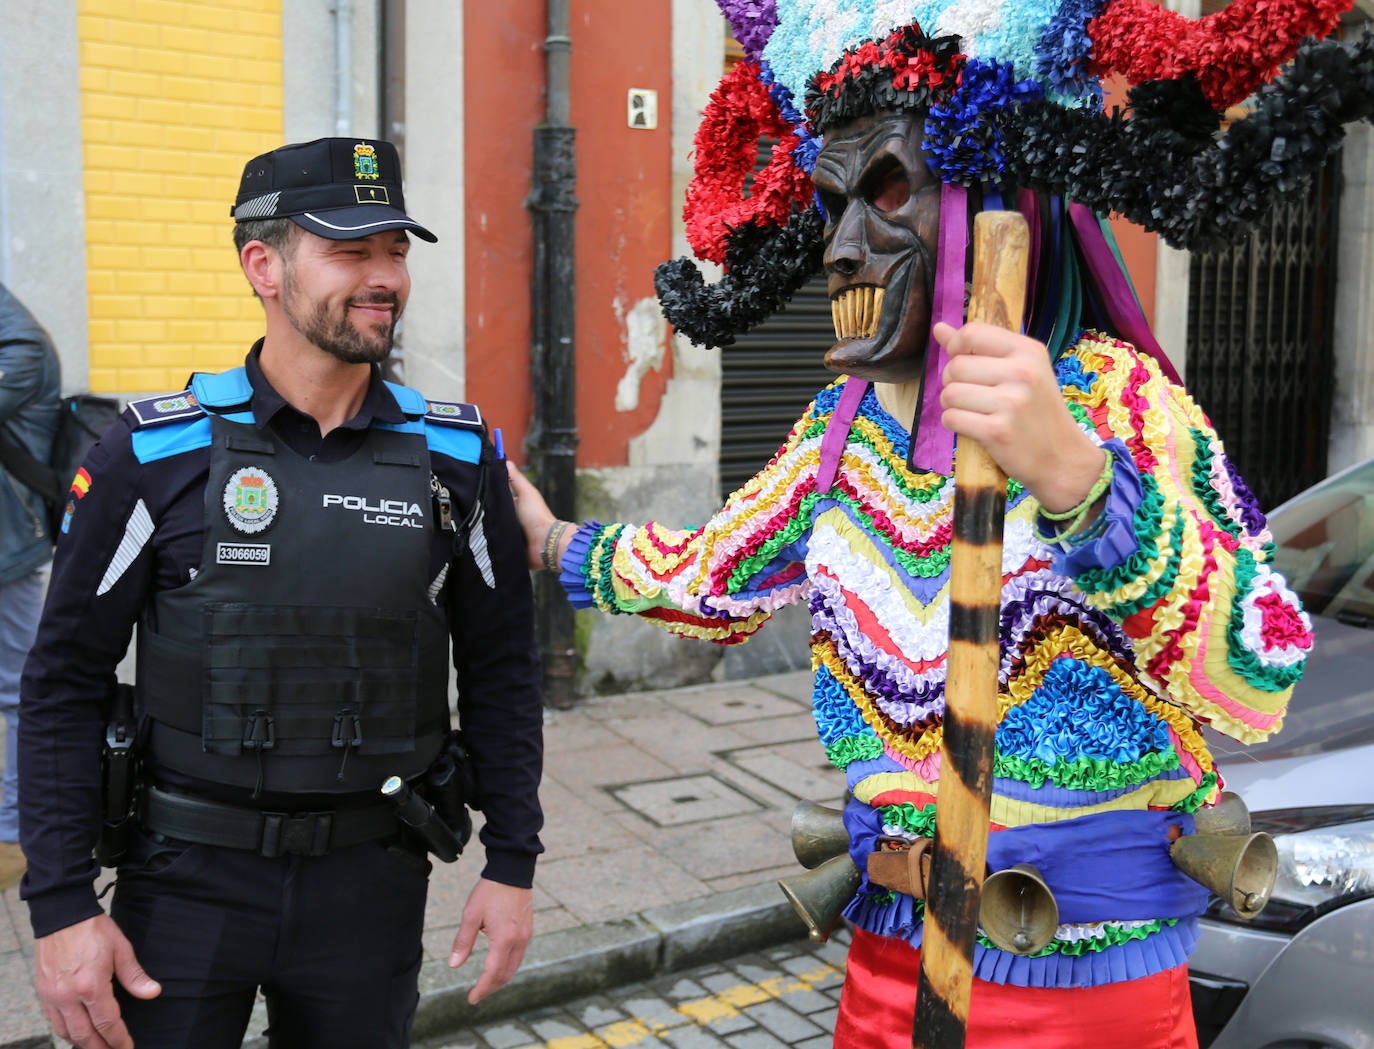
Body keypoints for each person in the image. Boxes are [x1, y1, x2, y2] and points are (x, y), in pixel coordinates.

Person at [504, 1, 1365, 1045]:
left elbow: (1256, 663)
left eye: (889, 192)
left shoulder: (1115, 398)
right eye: (830, 206)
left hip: (1084, 989)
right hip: (888, 962)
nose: (847, 247)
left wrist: (1081, 480)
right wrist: (556, 539)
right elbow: (708, 576)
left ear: (990, 193)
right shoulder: (842, 428)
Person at [18, 137, 544, 1049]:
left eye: (396, 251)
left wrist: (513, 862)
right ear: (262, 265)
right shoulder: (152, 457)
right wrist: (61, 906)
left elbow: (503, 666)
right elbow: (63, 678)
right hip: (183, 885)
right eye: (351, 250)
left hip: (372, 887)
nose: (385, 277)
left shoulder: (458, 460)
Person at [0, 282, 62, 892]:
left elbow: (26, 357)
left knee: (20, 690)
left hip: (7, 548)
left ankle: (13, 836)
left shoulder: (18, 345)